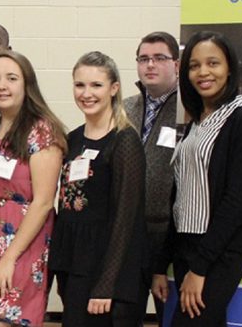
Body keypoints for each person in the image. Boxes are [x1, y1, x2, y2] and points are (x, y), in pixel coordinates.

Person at [152, 31, 242, 326]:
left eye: (213, 63)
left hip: (219, 249)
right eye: (194, 65)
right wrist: (160, 265)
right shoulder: (196, 122)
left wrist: (200, 267)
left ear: (229, 68)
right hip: (187, 244)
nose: (203, 72)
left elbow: (238, 199)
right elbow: (180, 198)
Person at [0, 50, 66, 327]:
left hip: (21, 244)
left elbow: (44, 202)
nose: (2, 86)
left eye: (11, 78)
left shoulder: (41, 131)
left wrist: (9, 258)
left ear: (27, 85)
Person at [50, 51, 146, 326]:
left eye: (96, 85)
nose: (86, 93)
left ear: (114, 88)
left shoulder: (124, 141)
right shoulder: (74, 138)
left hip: (105, 269)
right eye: (80, 85)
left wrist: (107, 284)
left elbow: (126, 219)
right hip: (74, 265)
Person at [123, 31, 179, 323]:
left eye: (159, 58)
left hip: (169, 235)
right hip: (129, 232)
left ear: (177, 65)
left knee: (169, 317)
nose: (150, 65)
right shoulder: (125, 107)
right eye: (144, 59)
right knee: (126, 314)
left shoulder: (188, 109)